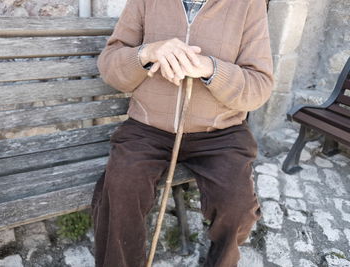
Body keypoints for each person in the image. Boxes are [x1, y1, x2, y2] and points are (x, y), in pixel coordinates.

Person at [91, 0, 275, 266]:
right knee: (120, 189)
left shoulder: (248, 5)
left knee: (237, 206)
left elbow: (259, 86)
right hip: (147, 126)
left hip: (220, 132)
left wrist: (211, 69)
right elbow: (109, 65)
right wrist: (147, 53)